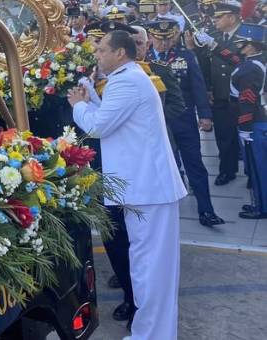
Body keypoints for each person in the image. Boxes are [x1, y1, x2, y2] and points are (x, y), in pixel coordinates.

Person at [69, 30, 186, 340]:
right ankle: (150, 333)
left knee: (151, 271)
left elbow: (98, 125)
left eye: (102, 50)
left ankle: (153, 335)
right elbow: (113, 117)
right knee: (145, 268)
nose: (96, 55)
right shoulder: (128, 77)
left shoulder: (126, 80)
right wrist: (90, 97)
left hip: (150, 190)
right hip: (144, 190)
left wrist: (77, 105)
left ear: (120, 53)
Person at [148, 19, 225, 227]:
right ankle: (165, 211)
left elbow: (198, 87)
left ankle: (206, 211)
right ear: (151, 37)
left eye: (167, 38)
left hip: (184, 120)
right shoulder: (143, 60)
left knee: (195, 165)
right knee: (164, 166)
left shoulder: (185, 56)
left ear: (174, 36)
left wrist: (205, 115)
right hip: (157, 124)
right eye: (159, 39)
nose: (163, 43)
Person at [195, 0, 243, 185]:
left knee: (247, 137)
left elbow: (239, 60)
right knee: (224, 136)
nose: (215, 21)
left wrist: (215, 47)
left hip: (243, 95)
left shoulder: (246, 34)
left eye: (219, 17)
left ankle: (254, 174)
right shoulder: (215, 35)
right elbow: (206, 66)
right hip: (221, 94)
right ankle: (227, 170)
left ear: (231, 17)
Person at [230, 23, 267, 219]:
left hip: (252, 122)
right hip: (255, 120)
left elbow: (247, 100)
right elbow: (234, 59)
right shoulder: (253, 62)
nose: (238, 45)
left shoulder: (250, 69)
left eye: (241, 43)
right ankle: (259, 203)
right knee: (256, 166)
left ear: (251, 46)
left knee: (258, 168)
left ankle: (262, 208)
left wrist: (244, 127)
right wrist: (214, 46)